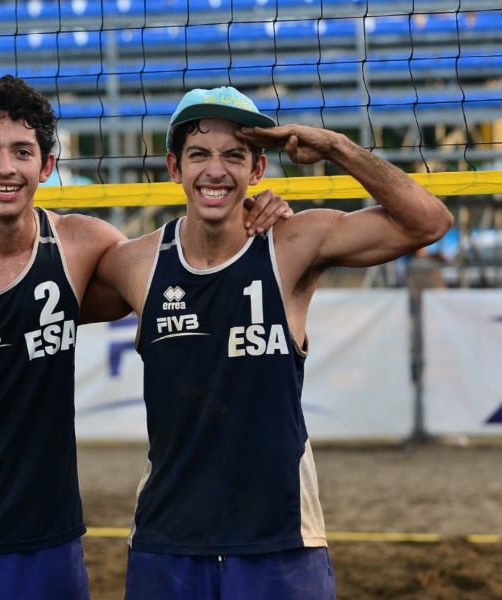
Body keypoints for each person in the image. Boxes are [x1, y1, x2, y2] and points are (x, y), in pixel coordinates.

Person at [0, 75, 290, 599]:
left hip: (44, 540)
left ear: (46, 165)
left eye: (22, 151)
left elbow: (187, 266)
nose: (4, 168)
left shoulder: (83, 246)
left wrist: (254, 209)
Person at [85, 86, 454, 599]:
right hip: (168, 542)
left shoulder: (294, 244)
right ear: (174, 167)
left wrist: (333, 147)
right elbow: (32, 309)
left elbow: (430, 221)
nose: (216, 170)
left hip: (281, 543)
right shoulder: (136, 263)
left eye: (234, 156)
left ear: (257, 170)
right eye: (199, 155)